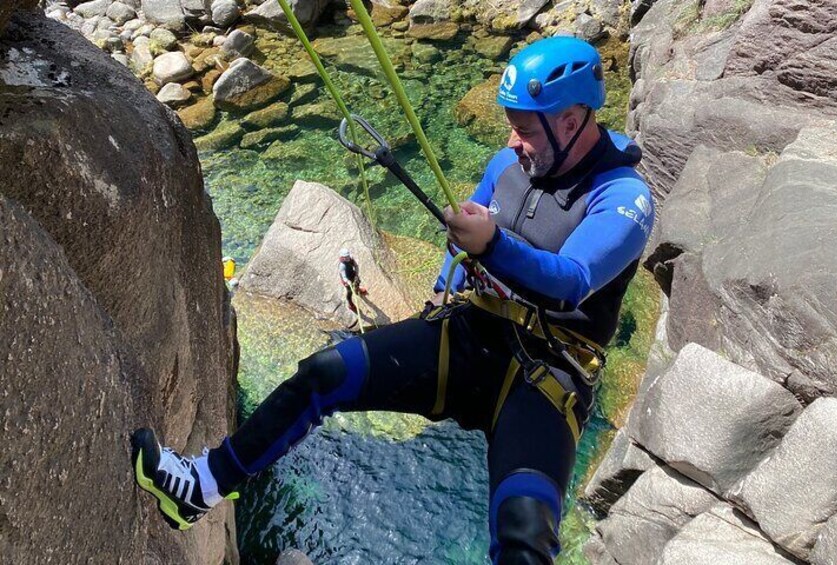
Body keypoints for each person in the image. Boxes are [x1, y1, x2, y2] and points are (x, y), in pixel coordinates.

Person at [131, 36, 655, 564]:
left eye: (523, 129)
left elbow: (572, 278)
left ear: (570, 121)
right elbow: (474, 216)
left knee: (525, 538)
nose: (513, 142)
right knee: (323, 375)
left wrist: (492, 245)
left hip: (547, 373)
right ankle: (203, 484)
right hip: (470, 335)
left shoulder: (623, 196)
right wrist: (453, 264)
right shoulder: (507, 163)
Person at [338, 248, 366, 313]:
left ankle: (357, 290)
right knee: (349, 292)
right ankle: (350, 304)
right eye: (345, 257)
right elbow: (344, 276)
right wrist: (348, 281)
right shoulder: (342, 266)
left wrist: (356, 274)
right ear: (342, 257)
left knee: (357, 282)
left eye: (347, 256)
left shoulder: (351, 258)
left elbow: (356, 266)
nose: (347, 258)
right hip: (347, 280)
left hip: (352, 274)